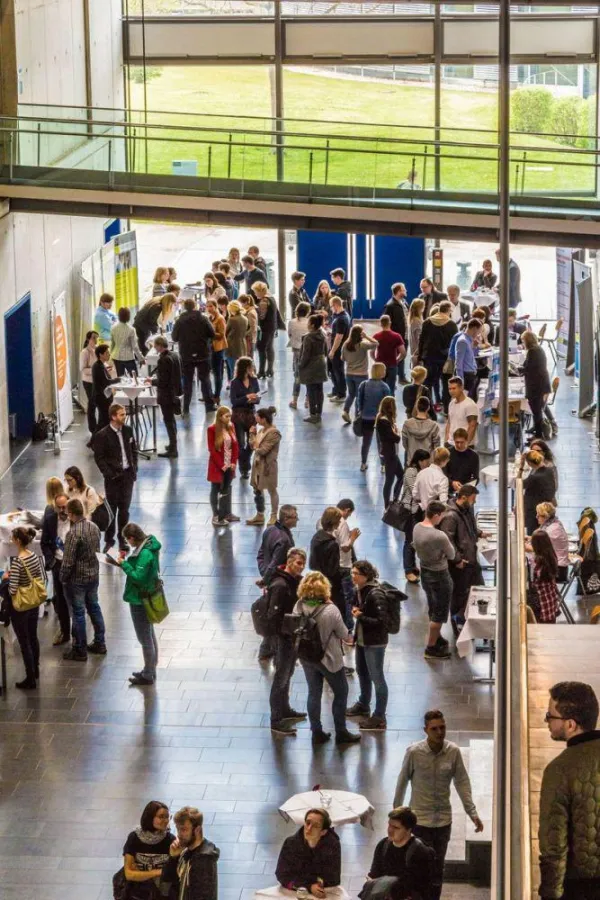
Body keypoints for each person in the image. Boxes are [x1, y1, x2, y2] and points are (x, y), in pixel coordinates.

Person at [394, 709, 483, 900]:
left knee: (437, 868)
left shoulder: (453, 752)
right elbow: (402, 781)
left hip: (443, 823)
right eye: (434, 729)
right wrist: (396, 813)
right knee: (417, 866)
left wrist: (472, 812)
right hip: (420, 822)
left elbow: (462, 782)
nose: (440, 732)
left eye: (442, 727)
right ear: (425, 730)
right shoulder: (414, 753)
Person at [539, 681, 600, 900]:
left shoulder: (559, 770)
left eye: (550, 716)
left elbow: (554, 849)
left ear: (571, 724)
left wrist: (550, 895)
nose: (546, 720)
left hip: (582, 889)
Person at [293, 571, 359, 745]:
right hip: (329, 659)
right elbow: (345, 635)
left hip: (307, 658)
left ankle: (316, 732)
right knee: (341, 692)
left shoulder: (299, 606)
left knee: (313, 693)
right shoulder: (331, 610)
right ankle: (341, 732)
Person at [346, 560, 392, 732]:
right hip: (363, 639)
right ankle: (363, 704)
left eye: (356, 574)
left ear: (366, 575)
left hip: (375, 642)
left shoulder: (376, 594)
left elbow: (382, 621)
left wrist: (360, 616)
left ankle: (379, 715)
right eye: (352, 573)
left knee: (377, 677)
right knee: (362, 672)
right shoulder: (360, 590)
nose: (353, 576)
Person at [268, 548, 307, 735]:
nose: (301, 567)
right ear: (289, 561)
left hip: (292, 636)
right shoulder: (281, 585)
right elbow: (273, 616)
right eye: (298, 563)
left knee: (288, 673)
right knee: (281, 677)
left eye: (303, 564)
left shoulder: (294, 582)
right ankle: (276, 719)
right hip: (284, 638)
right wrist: (283, 635)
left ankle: (284, 708)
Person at [60, 498, 104, 661]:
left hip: (77, 580)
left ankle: (80, 649)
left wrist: (63, 578)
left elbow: (68, 561)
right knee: (94, 607)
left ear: (71, 514)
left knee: (78, 613)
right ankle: (100, 642)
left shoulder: (73, 533)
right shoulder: (94, 527)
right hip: (93, 575)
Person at [118, 523, 162, 685]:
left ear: (132, 538)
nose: (127, 543)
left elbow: (138, 577)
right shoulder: (149, 546)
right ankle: (151, 668)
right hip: (147, 595)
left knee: (144, 638)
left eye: (127, 540)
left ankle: (148, 673)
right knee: (149, 633)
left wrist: (124, 564)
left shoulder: (145, 555)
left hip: (139, 599)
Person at [1, 526, 45, 688]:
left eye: (13, 538)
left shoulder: (18, 561)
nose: (11, 540)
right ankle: (36, 669)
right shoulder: (33, 555)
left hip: (21, 606)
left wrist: (6, 578)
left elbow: (12, 589)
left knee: (24, 641)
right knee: (33, 637)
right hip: (33, 602)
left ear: (18, 540)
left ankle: (30, 678)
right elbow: (37, 575)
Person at [438, 485, 485, 634]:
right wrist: (457, 559)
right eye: (473, 499)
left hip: (471, 559)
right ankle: (457, 624)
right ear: (463, 497)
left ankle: (472, 620)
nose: (474, 502)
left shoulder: (465, 511)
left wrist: (479, 533)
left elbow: (469, 528)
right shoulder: (450, 516)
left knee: (479, 589)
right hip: (461, 563)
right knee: (459, 594)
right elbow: (448, 541)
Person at [413, 500, 455, 660]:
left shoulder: (417, 527)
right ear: (436, 515)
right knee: (440, 612)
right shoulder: (439, 535)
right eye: (441, 516)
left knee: (432, 606)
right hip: (440, 574)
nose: (442, 519)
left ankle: (436, 637)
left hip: (425, 572)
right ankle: (431, 648)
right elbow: (451, 554)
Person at [93, 403, 138, 553]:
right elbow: (99, 458)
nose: (124, 416)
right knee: (112, 510)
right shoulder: (102, 435)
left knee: (124, 510)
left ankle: (122, 539)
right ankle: (109, 539)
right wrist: (109, 474)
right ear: (113, 417)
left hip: (127, 477)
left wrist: (134, 469)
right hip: (113, 478)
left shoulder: (128, 430)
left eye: (124, 414)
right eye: (121, 414)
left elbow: (133, 450)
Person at [366, 807, 435, 900]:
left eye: (396, 827)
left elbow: (421, 889)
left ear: (408, 830)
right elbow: (374, 874)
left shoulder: (420, 853)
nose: (390, 830)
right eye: (389, 825)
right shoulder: (383, 845)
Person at [276, 807, 341, 891]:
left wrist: (314, 886)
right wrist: (309, 886)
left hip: (322, 890)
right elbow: (281, 875)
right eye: (308, 823)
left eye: (316, 826)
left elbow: (333, 879)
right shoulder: (291, 843)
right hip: (295, 890)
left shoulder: (332, 845)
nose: (309, 829)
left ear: (323, 832)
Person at [162, 806, 220, 900]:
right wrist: (173, 857)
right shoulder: (186, 851)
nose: (179, 834)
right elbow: (166, 881)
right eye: (178, 829)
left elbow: (202, 896)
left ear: (197, 830)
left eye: (184, 830)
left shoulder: (203, 860)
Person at [172, 298, 216, 416]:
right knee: (205, 380)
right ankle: (209, 406)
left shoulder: (180, 321)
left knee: (187, 382)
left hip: (186, 355)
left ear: (184, 307)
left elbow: (174, 338)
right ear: (195, 306)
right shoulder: (203, 318)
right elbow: (212, 334)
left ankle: (186, 407)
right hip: (203, 354)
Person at [122, 800, 174, 899]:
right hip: (138, 894)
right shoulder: (134, 838)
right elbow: (129, 874)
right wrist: (158, 872)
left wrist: (140, 874)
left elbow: (172, 873)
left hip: (163, 894)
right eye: (161, 816)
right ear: (150, 817)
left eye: (167, 817)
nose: (166, 820)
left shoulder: (170, 840)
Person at [40, 491, 71, 645]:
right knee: (61, 600)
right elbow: (44, 542)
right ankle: (65, 632)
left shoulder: (76, 520)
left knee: (78, 602)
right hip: (58, 564)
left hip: (74, 566)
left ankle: (80, 636)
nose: (62, 510)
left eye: (64, 507)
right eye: (59, 507)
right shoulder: (50, 520)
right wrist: (51, 561)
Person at [417, 301, 457, 412]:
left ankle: (426, 408)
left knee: (427, 383)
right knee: (446, 384)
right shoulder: (451, 324)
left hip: (429, 357)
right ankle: (446, 410)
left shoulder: (427, 322)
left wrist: (420, 357)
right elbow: (454, 344)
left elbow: (421, 341)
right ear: (448, 311)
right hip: (445, 359)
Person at [399, 450, 431, 584]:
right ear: (420, 460)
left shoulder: (422, 472)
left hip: (418, 510)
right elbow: (414, 492)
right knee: (410, 541)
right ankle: (408, 570)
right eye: (426, 461)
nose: (428, 464)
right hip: (410, 511)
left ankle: (412, 567)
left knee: (415, 540)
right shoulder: (411, 471)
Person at [247, 406, 281, 527]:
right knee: (257, 490)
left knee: (272, 490)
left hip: (268, 466)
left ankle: (273, 515)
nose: (256, 420)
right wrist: (251, 434)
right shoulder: (261, 431)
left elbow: (263, 450)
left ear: (264, 419)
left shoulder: (274, 433)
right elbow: (252, 446)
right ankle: (260, 514)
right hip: (257, 465)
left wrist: (256, 445)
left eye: (257, 418)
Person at [309, 506, 345, 619]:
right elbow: (333, 570)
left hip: (318, 580)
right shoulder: (332, 544)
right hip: (331, 585)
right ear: (334, 522)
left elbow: (312, 563)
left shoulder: (316, 537)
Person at [206, 406, 239, 528]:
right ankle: (216, 515)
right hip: (217, 465)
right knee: (215, 489)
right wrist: (222, 465)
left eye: (230, 416)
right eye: (227, 416)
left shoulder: (231, 427)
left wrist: (234, 462)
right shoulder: (212, 429)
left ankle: (226, 513)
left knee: (227, 489)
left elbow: (235, 446)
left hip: (230, 465)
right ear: (220, 417)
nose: (229, 418)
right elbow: (212, 450)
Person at [151, 336, 182, 459]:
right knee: (171, 421)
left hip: (166, 395)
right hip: (174, 393)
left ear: (159, 345)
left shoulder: (163, 360)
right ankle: (172, 444)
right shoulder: (175, 355)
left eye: (155, 345)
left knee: (168, 421)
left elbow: (162, 381)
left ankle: (173, 449)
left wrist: (152, 382)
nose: (154, 348)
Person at [341, 324, 378, 424]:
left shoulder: (346, 344)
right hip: (361, 374)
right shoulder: (363, 344)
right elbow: (376, 343)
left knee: (351, 394)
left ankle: (345, 411)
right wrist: (366, 336)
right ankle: (357, 416)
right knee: (359, 395)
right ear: (360, 334)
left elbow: (343, 358)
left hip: (349, 373)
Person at [357, 363, 391, 472]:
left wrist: (361, 412)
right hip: (380, 418)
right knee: (381, 442)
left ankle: (363, 463)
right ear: (381, 372)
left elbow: (359, 401)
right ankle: (383, 465)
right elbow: (387, 404)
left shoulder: (364, 384)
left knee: (366, 442)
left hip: (366, 417)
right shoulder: (385, 387)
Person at [230, 356, 260, 478]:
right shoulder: (234, 382)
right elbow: (234, 401)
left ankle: (244, 460)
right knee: (240, 443)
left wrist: (254, 399)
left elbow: (257, 398)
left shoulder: (254, 381)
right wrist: (247, 397)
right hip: (238, 416)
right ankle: (244, 469)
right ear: (245, 368)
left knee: (252, 443)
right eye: (250, 366)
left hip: (251, 415)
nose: (252, 368)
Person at [257, 504, 299, 588]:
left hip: (268, 574)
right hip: (278, 580)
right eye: (295, 517)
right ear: (286, 519)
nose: (297, 519)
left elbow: (261, 554)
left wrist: (264, 572)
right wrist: (266, 579)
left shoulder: (269, 529)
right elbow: (275, 563)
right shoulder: (284, 540)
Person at [520, 331, 551, 440]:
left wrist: (517, 369)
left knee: (536, 410)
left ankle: (538, 435)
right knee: (537, 409)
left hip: (537, 385)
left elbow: (528, 368)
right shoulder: (537, 349)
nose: (523, 343)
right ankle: (536, 429)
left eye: (523, 341)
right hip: (540, 384)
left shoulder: (532, 351)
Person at [299, 313, 328, 424]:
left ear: (311, 325)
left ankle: (312, 414)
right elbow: (326, 351)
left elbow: (306, 355)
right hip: (321, 364)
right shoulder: (323, 334)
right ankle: (319, 414)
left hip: (310, 366)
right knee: (319, 391)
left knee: (311, 391)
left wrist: (300, 365)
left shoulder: (308, 337)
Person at [530, 502, 569, 582]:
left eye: (539, 515)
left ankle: (534, 591)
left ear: (545, 516)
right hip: (559, 567)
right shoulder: (554, 523)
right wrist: (530, 538)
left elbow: (535, 548)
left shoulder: (550, 531)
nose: (536, 517)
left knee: (530, 566)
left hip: (558, 571)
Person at [376, 397, 404, 509]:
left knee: (401, 476)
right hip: (390, 454)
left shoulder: (386, 419)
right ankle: (387, 505)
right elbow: (394, 438)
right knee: (389, 480)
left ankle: (395, 499)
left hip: (392, 454)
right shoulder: (384, 421)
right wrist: (397, 433)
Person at [521, 449, 557, 536]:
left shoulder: (534, 477)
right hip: (545, 508)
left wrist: (521, 467)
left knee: (534, 536)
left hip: (534, 512)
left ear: (529, 463)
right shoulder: (549, 471)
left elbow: (519, 484)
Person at [529, 529, 560, 623]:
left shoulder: (539, 562)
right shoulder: (550, 556)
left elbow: (534, 581)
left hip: (542, 603)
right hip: (550, 600)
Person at [373, 314, 406, 396]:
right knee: (391, 388)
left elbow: (371, 352)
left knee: (380, 388)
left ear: (380, 324)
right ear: (390, 323)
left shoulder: (376, 336)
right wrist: (397, 360)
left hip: (380, 365)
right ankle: (390, 406)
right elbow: (403, 352)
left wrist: (376, 360)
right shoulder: (396, 336)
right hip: (392, 364)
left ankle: (381, 406)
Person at [383, 283, 409, 383]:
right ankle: (394, 377)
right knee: (395, 357)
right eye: (403, 289)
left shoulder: (404, 302)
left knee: (403, 355)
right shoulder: (390, 306)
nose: (406, 291)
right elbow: (385, 321)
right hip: (396, 337)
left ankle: (401, 377)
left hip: (405, 335)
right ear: (398, 292)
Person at [401, 397, 440, 462]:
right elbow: (437, 446)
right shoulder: (434, 425)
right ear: (428, 408)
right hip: (428, 462)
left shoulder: (407, 424)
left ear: (416, 407)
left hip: (412, 460)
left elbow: (405, 443)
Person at [413, 447, 449, 515]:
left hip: (421, 512)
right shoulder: (443, 478)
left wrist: (424, 501)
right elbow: (443, 502)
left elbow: (415, 495)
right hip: (434, 515)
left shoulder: (421, 473)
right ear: (445, 460)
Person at [288, 301, 311, 410]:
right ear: (308, 312)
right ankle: (307, 401)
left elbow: (290, 334)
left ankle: (294, 401)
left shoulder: (291, 322)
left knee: (297, 377)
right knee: (309, 376)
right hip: (308, 352)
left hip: (297, 351)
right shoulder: (310, 322)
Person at [92, 343, 119, 431]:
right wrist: (118, 380)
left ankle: (95, 441)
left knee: (102, 420)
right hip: (101, 397)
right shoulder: (98, 366)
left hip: (103, 396)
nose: (109, 354)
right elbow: (106, 382)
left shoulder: (101, 365)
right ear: (101, 354)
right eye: (107, 353)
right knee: (104, 420)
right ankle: (95, 441)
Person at [445, 376, 479, 447]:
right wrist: (446, 440)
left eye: (454, 388)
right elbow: (449, 422)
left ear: (461, 388)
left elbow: (472, 426)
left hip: (464, 445)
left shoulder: (470, 404)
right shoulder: (451, 403)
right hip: (451, 443)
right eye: (449, 389)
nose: (451, 391)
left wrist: (465, 445)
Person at [328, 296, 351, 403]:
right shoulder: (339, 316)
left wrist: (332, 351)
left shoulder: (341, 319)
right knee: (333, 370)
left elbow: (339, 337)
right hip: (335, 348)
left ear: (336, 305)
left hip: (337, 350)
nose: (331, 309)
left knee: (338, 371)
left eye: (332, 306)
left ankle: (341, 394)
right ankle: (336, 390)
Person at [253, 281, 278, 379]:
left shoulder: (263, 301)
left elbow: (262, 316)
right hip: (272, 326)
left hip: (265, 328)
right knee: (270, 348)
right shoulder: (271, 298)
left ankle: (261, 371)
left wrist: (255, 309)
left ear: (260, 291)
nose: (255, 294)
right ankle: (270, 369)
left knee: (261, 348)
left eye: (255, 291)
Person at [110, 307, 144, 377]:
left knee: (120, 380)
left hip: (116, 357)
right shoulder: (131, 329)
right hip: (129, 358)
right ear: (128, 316)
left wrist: (110, 356)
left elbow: (112, 344)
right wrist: (141, 358)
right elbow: (135, 347)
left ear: (119, 316)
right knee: (134, 379)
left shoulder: (113, 328)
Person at [206, 298, 227, 405]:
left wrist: (210, 333)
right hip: (211, 348)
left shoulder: (220, 319)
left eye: (211, 306)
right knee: (214, 372)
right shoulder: (210, 318)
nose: (209, 308)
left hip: (218, 348)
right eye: (207, 306)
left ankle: (217, 395)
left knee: (217, 373)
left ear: (215, 306)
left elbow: (222, 335)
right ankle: (212, 394)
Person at [454, 318, 483, 398]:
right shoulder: (462, 341)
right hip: (466, 376)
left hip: (471, 374)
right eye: (479, 332)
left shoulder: (469, 340)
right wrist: (461, 381)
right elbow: (458, 363)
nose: (478, 334)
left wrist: (476, 346)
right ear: (474, 329)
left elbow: (471, 356)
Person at [446, 428, 480, 493]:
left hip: (466, 490)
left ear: (467, 440)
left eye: (462, 442)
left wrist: (465, 487)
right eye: (457, 442)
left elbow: (476, 477)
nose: (459, 445)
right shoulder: (447, 453)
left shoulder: (474, 456)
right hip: (449, 489)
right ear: (454, 440)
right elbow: (443, 474)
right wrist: (452, 482)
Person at [224, 300, 249, 384]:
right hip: (242, 344)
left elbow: (225, 332)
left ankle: (233, 384)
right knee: (241, 367)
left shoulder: (232, 319)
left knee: (231, 367)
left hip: (231, 345)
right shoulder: (245, 318)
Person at [80, 330, 99, 434]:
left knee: (96, 403)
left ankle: (97, 427)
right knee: (92, 404)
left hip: (96, 380)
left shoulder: (96, 350)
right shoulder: (84, 352)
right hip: (88, 381)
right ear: (88, 339)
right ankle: (92, 428)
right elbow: (82, 369)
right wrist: (95, 370)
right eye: (93, 338)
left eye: (97, 338)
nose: (96, 340)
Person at [408, 299, 426, 368]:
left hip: (414, 350)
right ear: (420, 308)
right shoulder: (417, 321)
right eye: (423, 307)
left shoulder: (413, 319)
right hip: (417, 352)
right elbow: (420, 338)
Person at [241, 293, 258, 358]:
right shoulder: (248, 311)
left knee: (249, 358)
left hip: (249, 339)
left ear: (245, 303)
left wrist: (244, 334)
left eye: (241, 303)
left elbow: (253, 328)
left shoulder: (251, 313)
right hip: (248, 338)